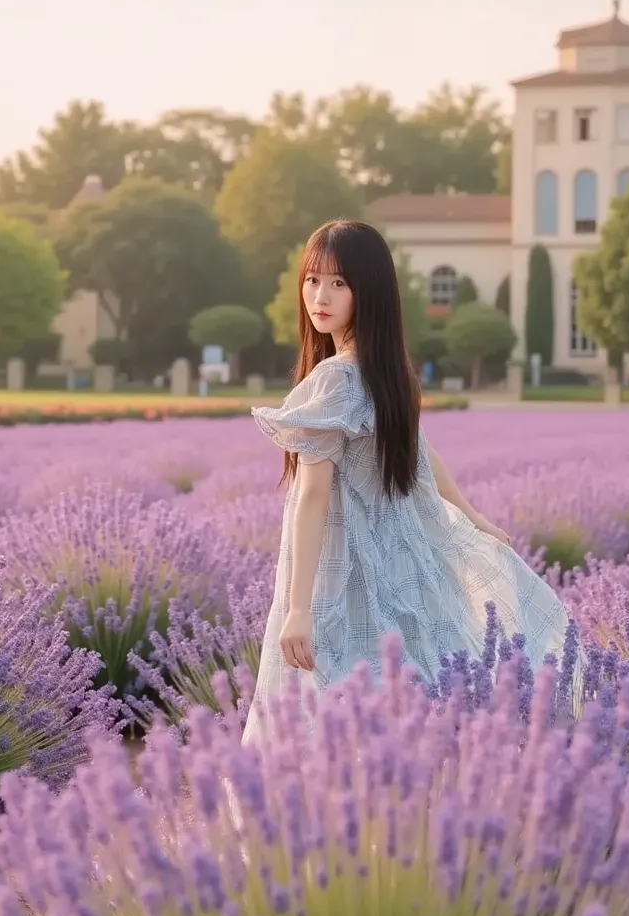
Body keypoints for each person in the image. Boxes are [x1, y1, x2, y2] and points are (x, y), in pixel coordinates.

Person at [242, 219, 580, 742]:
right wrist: (469, 513)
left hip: (344, 567)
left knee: (335, 700)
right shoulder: (384, 371)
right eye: (312, 280)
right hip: (396, 560)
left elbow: (313, 497)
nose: (320, 296)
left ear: (369, 291)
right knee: (408, 688)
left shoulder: (337, 377)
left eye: (339, 283)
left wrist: (298, 608)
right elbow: (422, 452)